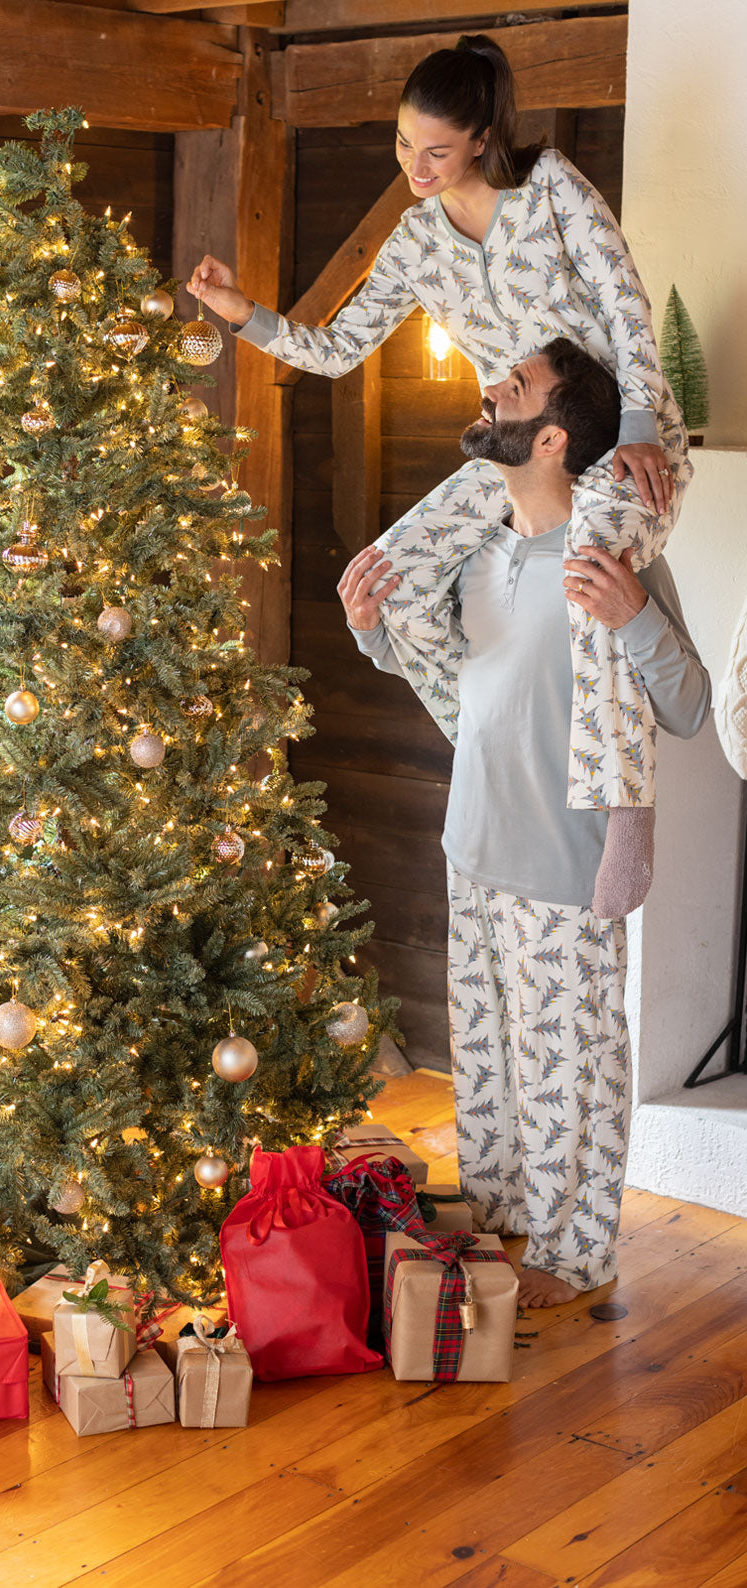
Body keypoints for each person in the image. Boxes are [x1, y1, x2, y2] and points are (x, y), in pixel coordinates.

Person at [188, 32, 692, 920]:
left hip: (618, 438)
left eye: (436, 150)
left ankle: (625, 810)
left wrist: (647, 424)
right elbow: (338, 348)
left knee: (592, 583)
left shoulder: (550, 188)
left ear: (480, 140)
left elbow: (622, 296)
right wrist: (244, 314)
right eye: (401, 146)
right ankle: (486, 744)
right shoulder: (417, 241)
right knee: (390, 576)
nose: (415, 167)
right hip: (515, 445)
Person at [337, 337, 710, 1307]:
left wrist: (635, 617)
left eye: (516, 386)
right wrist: (372, 627)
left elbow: (688, 706)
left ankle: (573, 1256)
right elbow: (457, 682)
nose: (488, 387)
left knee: (571, 1069)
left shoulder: (614, 556)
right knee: (494, 1058)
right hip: (473, 845)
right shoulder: (479, 554)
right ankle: (501, 1220)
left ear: (549, 438)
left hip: (567, 858)